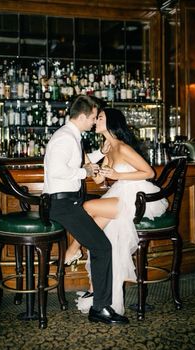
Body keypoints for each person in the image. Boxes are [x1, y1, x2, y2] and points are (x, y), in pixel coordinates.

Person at [65, 107, 169, 315]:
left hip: (137, 198)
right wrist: (84, 155)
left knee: (87, 207)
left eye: (100, 118)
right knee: (98, 235)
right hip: (120, 196)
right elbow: (98, 179)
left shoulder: (121, 147)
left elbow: (149, 172)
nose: (95, 121)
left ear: (110, 123)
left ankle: (73, 249)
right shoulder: (108, 148)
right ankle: (96, 290)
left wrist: (117, 175)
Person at [43, 95, 129, 325]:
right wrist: (86, 173)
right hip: (62, 204)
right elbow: (58, 171)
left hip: (67, 202)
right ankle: (100, 308)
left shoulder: (71, 136)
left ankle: (100, 305)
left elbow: (77, 163)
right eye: (92, 117)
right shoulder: (65, 138)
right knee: (102, 246)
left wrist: (100, 153)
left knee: (101, 245)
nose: (94, 122)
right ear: (82, 116)